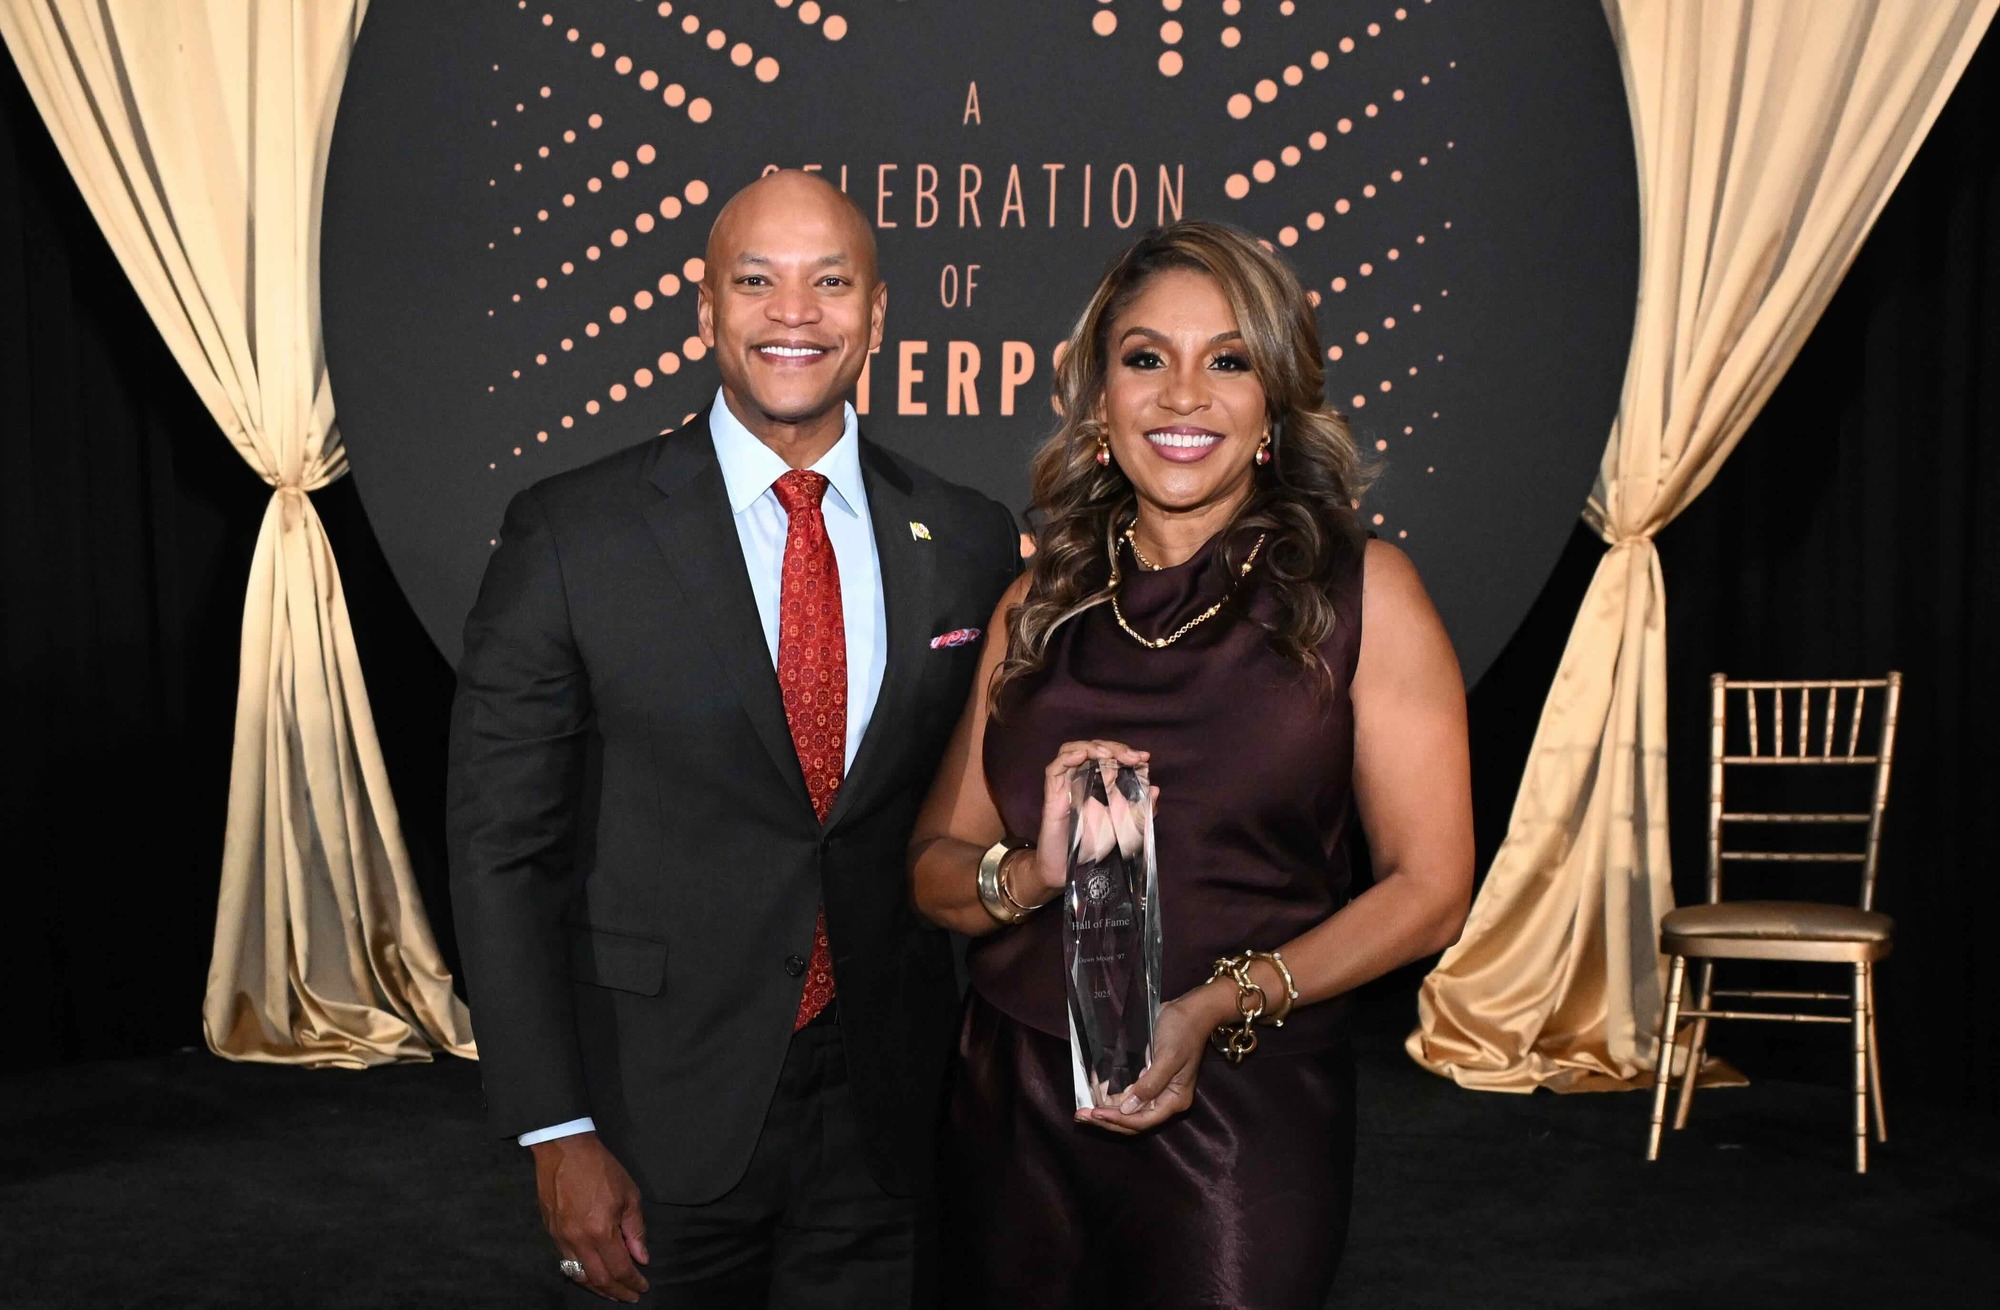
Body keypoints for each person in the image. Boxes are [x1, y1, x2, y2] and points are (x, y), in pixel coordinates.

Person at [449, 170, 1020, 1307]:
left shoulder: (964, 536)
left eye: (828, 282)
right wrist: (553, 1126)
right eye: (755, 281)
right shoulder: (569, 531)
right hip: (652, 1110)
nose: (793, 314)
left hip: (888, 1117)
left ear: (875, 315)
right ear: (705, 310)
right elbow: (500, 847)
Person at [908, 220, 1474, 1307]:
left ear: (1272, 402)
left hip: (1240, 1103)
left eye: (1226, 360)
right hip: (1013, 1099)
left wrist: (1217, 1004)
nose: (1181, 396)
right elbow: (935, 863)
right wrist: (1028, 872)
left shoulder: (1361, 594)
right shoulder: (1038, 603)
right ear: (1098, 397)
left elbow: (1430, 888)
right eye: (1143, 358)